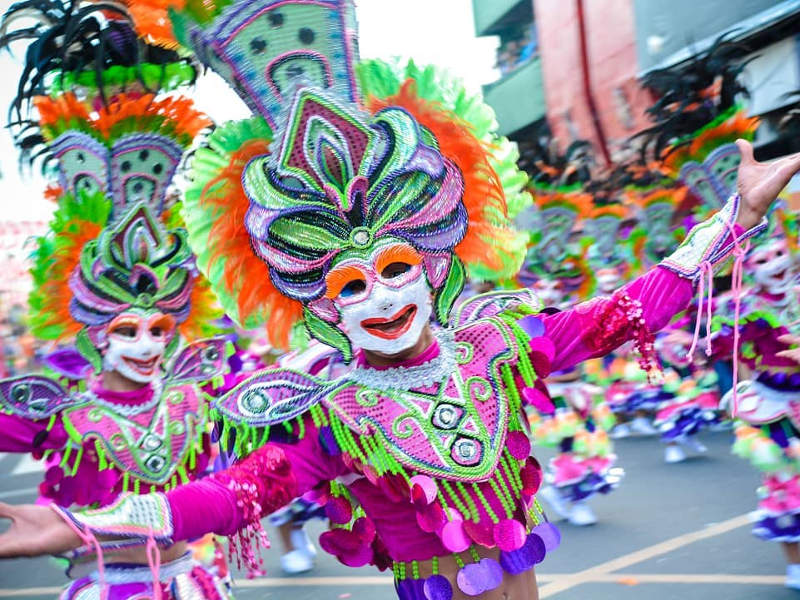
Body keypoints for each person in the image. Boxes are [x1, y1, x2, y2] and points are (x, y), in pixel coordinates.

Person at [1, 3, 800, 600]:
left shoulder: (498, 346)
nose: (380, 294)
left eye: (394, 268)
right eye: (350, 285)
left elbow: (627, 311)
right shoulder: (331, 411)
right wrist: (89, 524)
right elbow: (236, 490)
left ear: (432, 267)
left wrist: (738, 218)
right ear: (323, 306)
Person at [0, 2, 233, 597]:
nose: (149, 344)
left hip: (196, 585)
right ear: (93, 333)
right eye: (128, 330)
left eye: (159, 327)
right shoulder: (61, 416)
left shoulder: (199, 396)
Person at [710, 208, 800, 589]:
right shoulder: (740, 308)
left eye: (779, 254)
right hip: (775, 404)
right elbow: (725, 350)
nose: (774, 264)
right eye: (762, 259)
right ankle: (795, 565)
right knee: (788, 481)